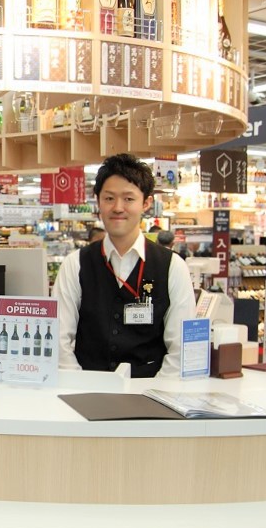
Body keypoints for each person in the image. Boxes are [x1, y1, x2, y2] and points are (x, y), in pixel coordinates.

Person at [52, 154, 195, 378]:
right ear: (98, 200)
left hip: (150, 397)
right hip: (86, 394)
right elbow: (59, 341)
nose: (118, 208)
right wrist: (79, 386)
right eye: (109, 198)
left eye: (128, 199)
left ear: (146, 203)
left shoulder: (172, 266)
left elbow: (181, 348)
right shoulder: (75, 265)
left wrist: (153, 395)